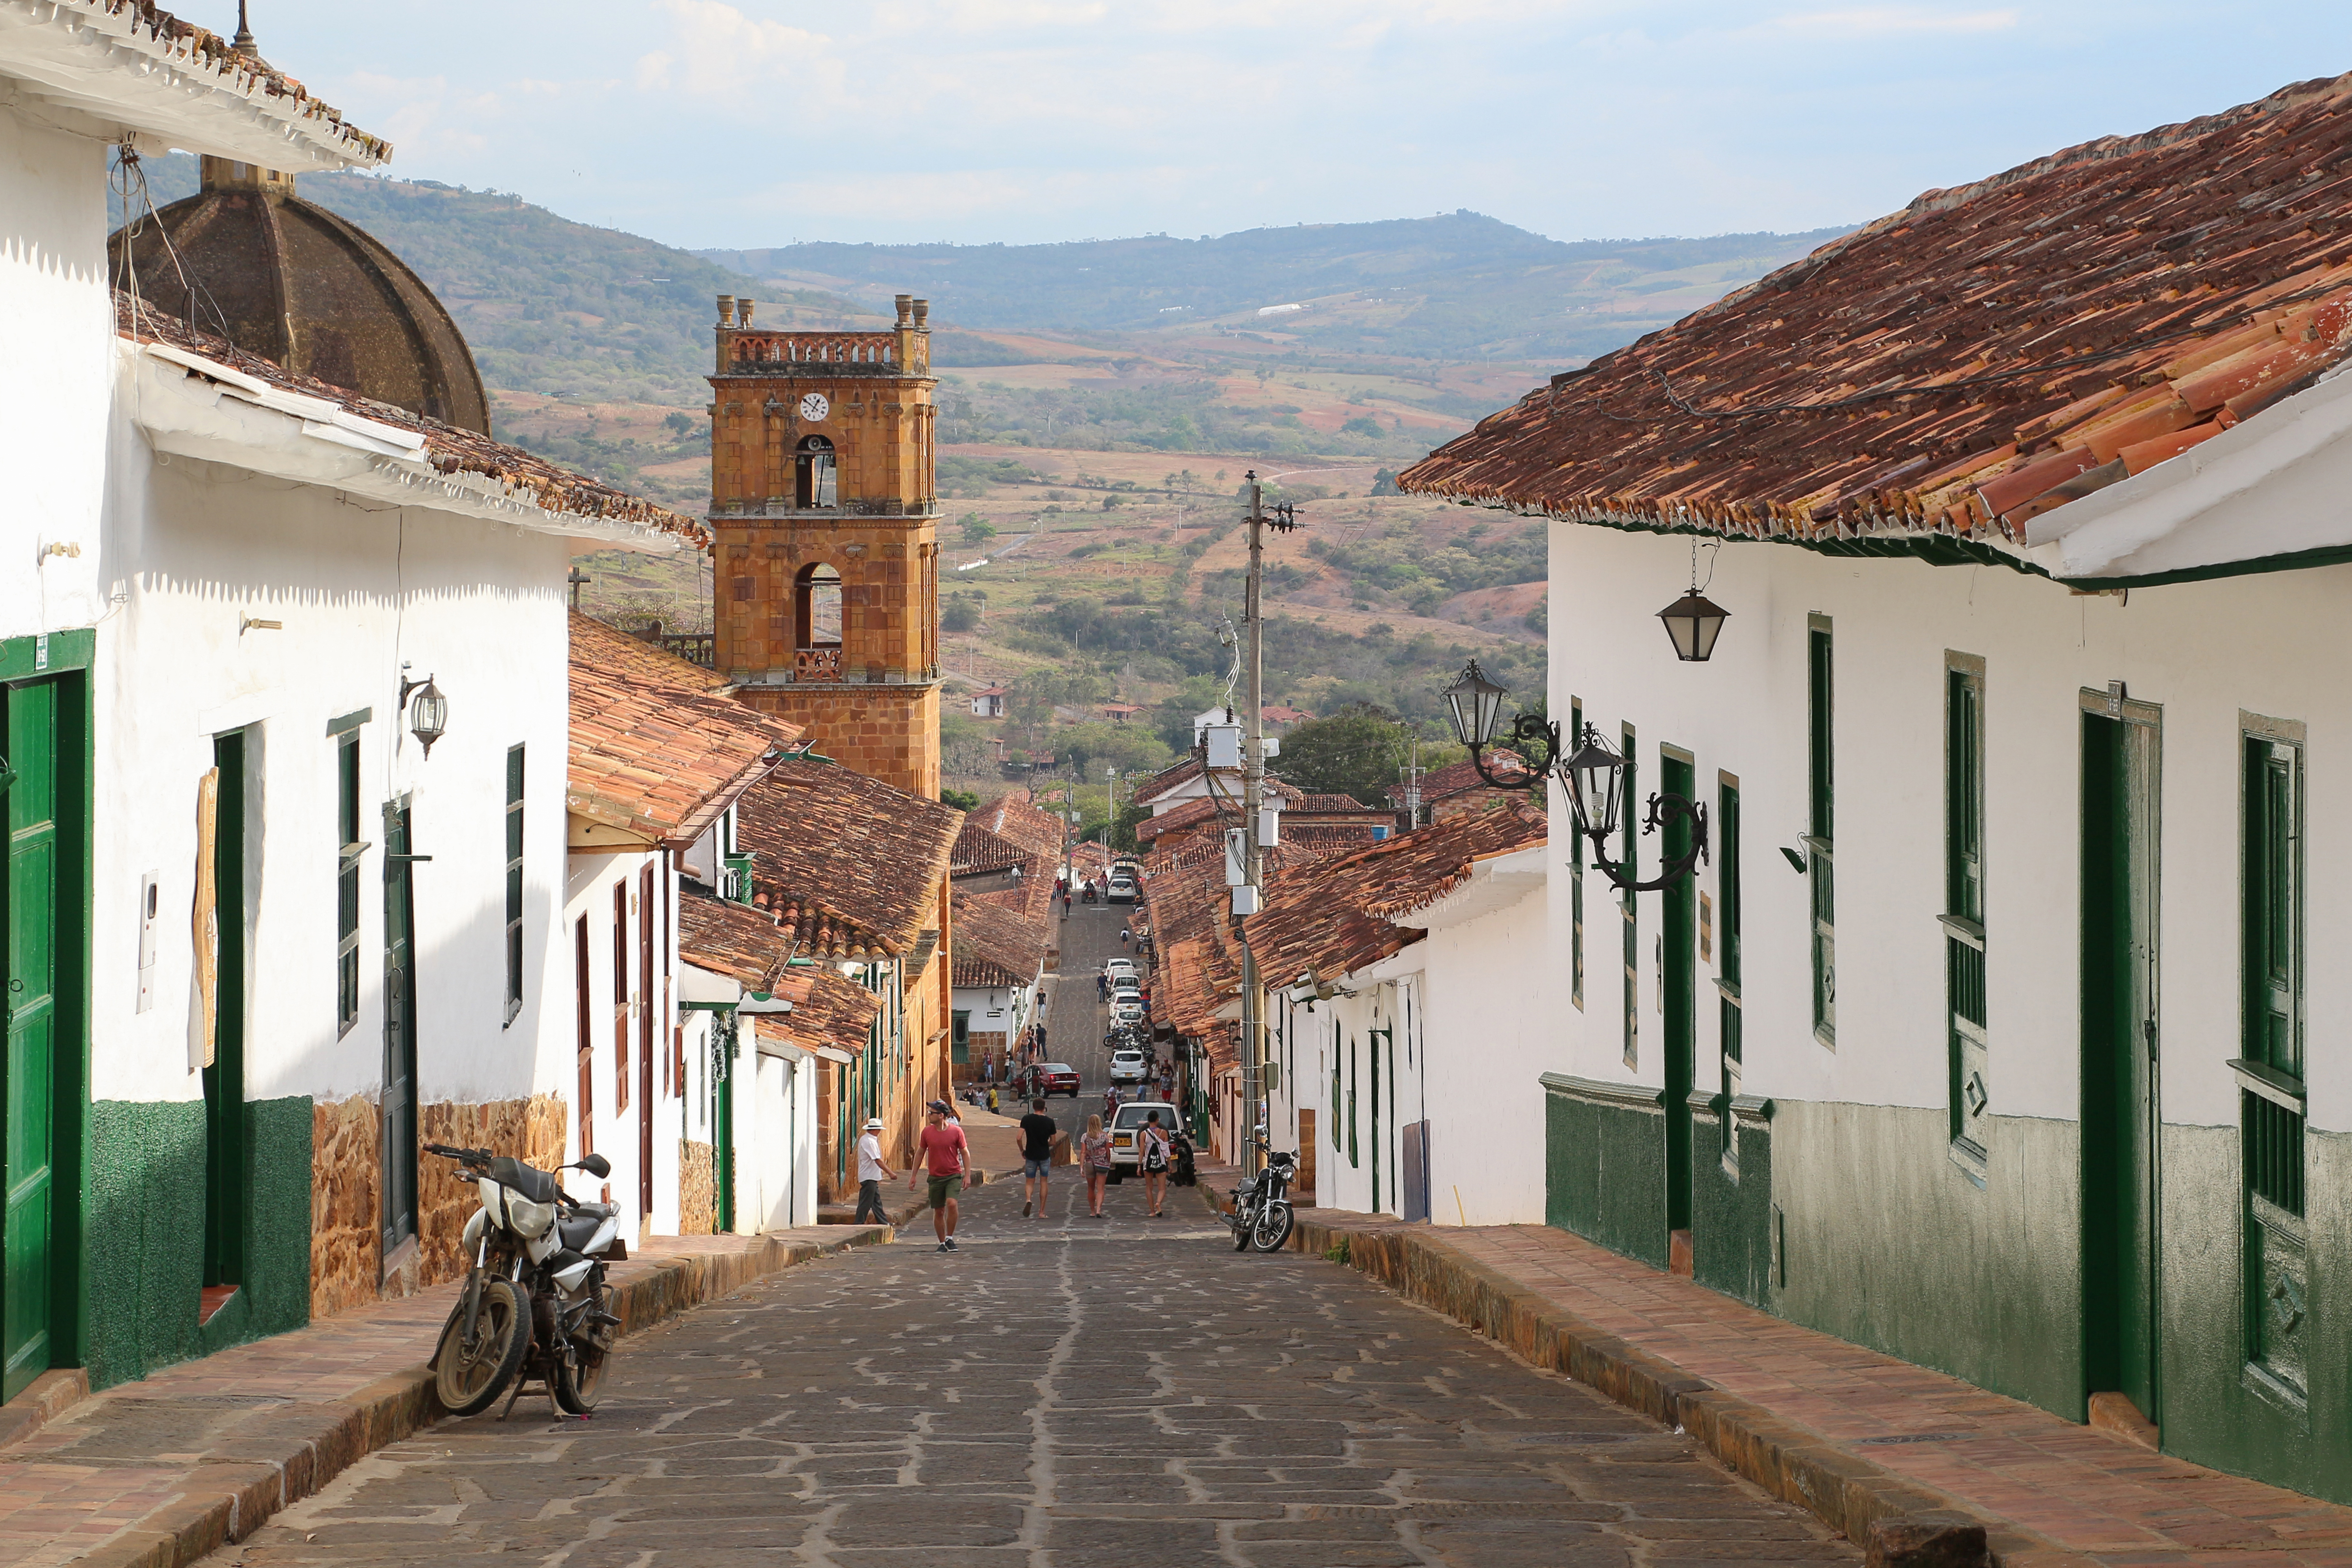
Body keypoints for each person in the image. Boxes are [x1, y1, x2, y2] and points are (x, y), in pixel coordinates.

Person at [910, 1099, 970, 1252]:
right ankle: (942, 1242)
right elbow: (920, 1153)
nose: (929, 1115)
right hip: (935, 1177)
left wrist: (967, 1175)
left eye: (932, 1113)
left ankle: (950, 1237)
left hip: (953, 1175)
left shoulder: (956, 1132)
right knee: (939, 1210)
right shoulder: (927, 1132)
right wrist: (913, 1175)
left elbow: (965, 1153)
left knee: (952, 1203)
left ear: (941, 1116)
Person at [1016, 1098, 1064, 1218]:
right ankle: (1042, 1212)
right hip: (1044, 1155)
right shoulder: (1049, 1122)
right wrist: (1045, 1144)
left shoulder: (1026, 1119)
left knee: (1029, 1181)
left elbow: (1018, 1137)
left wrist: (1022, 1150)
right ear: (1044, 1107)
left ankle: (1028, 1199)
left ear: (1033, 1107)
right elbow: (1053, 1142)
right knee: (1043, 1181)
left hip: (1031, 1154)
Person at [854, 1116, 895, 1224]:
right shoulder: (869, 1142)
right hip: (869, 1176)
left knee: (876, 1203)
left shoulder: (869, 1140)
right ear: (874, 1130)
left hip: (872, 1176)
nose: (880, 1132)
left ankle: (884, 1223)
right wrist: (890, 1173)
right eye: (878, 1130)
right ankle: (858, 1223)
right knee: (865, 1202)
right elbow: (878, 1160)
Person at [1140, 1110, 1172, 1218]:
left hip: (1148, 1163)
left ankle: (1152, 1211)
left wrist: (1139, 1165)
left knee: (1149, 1188)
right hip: (1161, 1163)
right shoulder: (1164, 1133)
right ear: (1157, 1120)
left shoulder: (1143, 1134)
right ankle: (1158, 1203)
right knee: (1162, 1188)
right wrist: (1170, 1164)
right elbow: (1166, 1150)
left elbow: (1141, 1151)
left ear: (1148, 1120)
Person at [1080, 1114, 1113, 1217]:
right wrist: (1109, 1161)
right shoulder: (1105, 1136)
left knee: (1091, 1188)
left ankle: (1092, 1211)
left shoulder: (1085, 1137)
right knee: (1101, 1188)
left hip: (1090, 1164)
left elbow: (1083, 1152)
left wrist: (1081, 1166)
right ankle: (1099, 1209)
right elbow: (1108, 1151)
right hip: (1103, 1164)